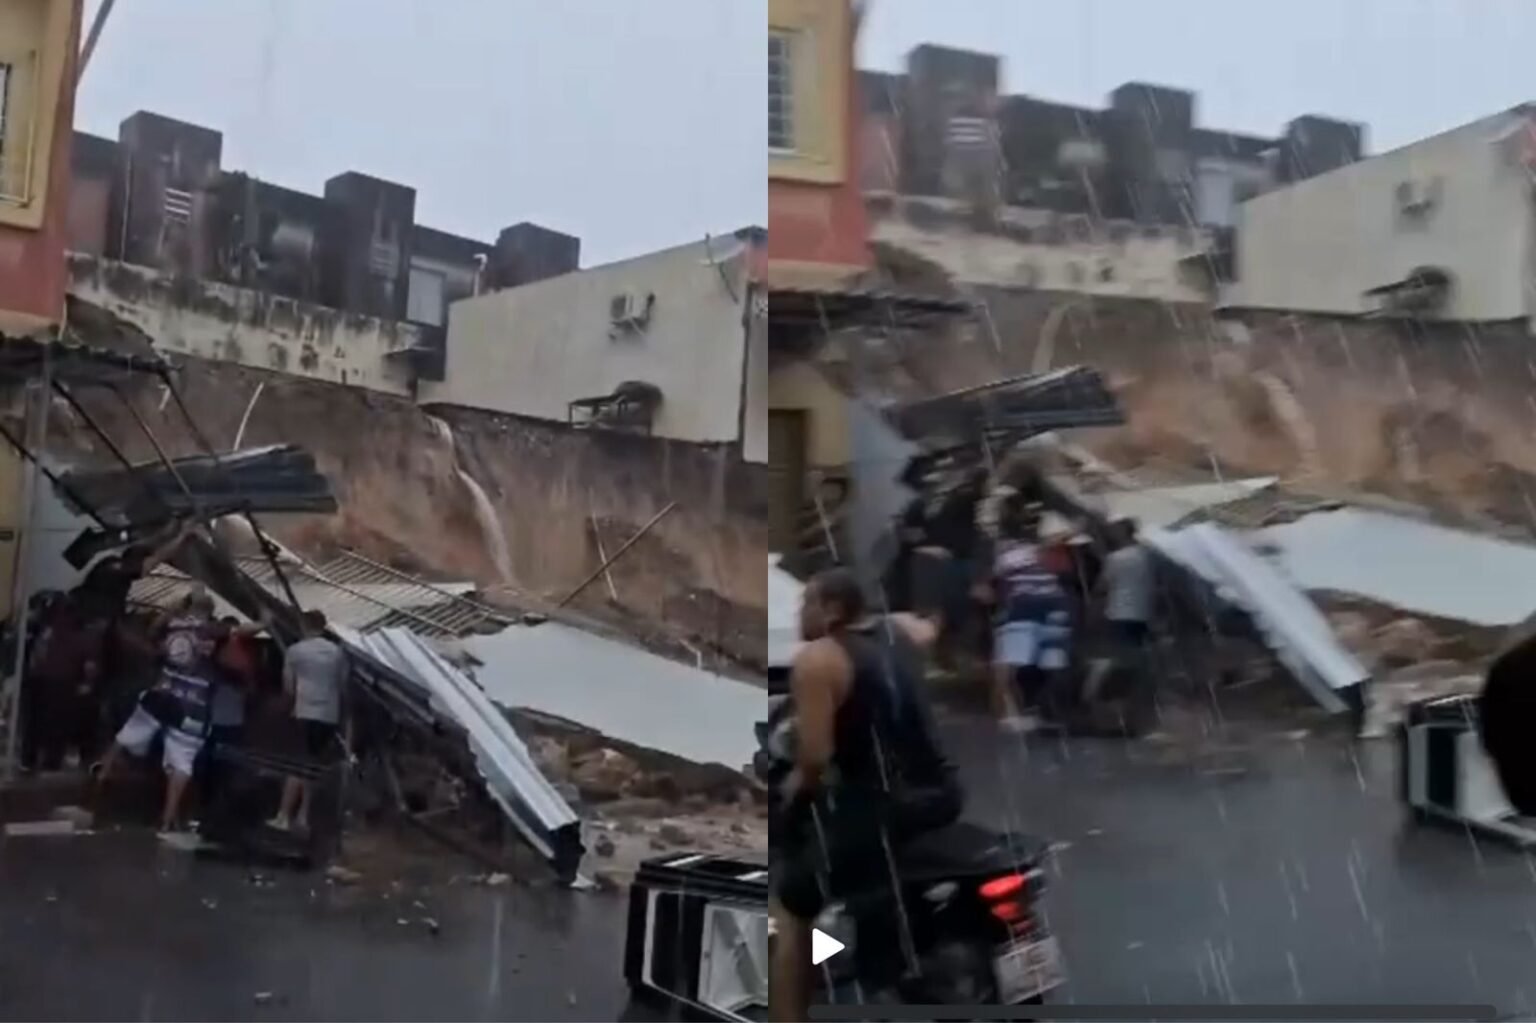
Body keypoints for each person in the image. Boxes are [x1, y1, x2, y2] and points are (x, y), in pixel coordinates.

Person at [770, 568, 959, 1023]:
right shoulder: (897, 639)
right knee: (851, 874)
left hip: (879, 803)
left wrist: (791, 794)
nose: (799, 611)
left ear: (833, 609)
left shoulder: (818, 659)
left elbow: (814, 758)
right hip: (939, 795)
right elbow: (924, 629)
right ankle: (866, 958)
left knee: (791, 907)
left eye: (806, 602)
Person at [92, 590, 225, 837]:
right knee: (182, 762)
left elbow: (154, 631)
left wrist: (175, 609)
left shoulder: (174, 625)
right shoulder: (214, 631)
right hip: (194, 704)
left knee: (127, 734)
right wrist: (264, 621)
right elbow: (236, 635)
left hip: (162, 693)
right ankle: (167, 818)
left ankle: (101, 776)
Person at [989, 500, 1073, 732]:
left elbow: (1002, 586)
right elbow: (1064, 575)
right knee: (1048, 663)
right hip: (1052, 609)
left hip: (1024, 611)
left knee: (1015, 664)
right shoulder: (1045, 552)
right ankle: (1045, 710)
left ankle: (1022, 712)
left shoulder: (1006, 555)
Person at [269, 610, 349, 833]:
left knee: (296, 765)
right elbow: (342, 684)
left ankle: (283, 815)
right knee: (313, 766)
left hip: (304, 711)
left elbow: (288, 687)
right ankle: (303, 816)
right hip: (329, 715)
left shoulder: (295, 651)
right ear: (323, 626)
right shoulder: (338, 653)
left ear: (303, 625)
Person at [1100, 518, 1155, 652]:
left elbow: (1103, 584)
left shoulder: (1114, 558)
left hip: (1120, 609)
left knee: (1127, 650)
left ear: (1122, 533)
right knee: (1142, 646)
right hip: (1144, 607)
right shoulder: (1147, 553)